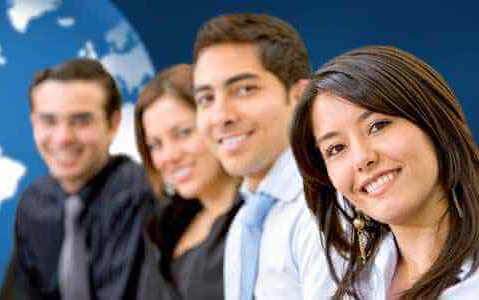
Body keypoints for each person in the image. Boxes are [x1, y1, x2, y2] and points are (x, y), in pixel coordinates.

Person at [290, 45, 479, 299]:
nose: (362, 158)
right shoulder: (348, 286)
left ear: (435, 123)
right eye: (336, 148)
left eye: (378, 126)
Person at [192, 13, 335, 299]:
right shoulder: (244, 224)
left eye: (244, 89)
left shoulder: (328, 209)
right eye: (206, 98)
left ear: (299, 97)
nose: (221, 116)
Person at [2, 58, 155, 299]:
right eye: (48, 121)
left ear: (113, 124)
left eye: (81, 120)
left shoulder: (140, 195)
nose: (63, 138)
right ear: (33, 123)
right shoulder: (34, 204)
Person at [134, 64, 241, 299]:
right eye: (155, 145)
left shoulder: (254, 218)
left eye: (183, 133)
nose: (169, 156)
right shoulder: (164, 226)